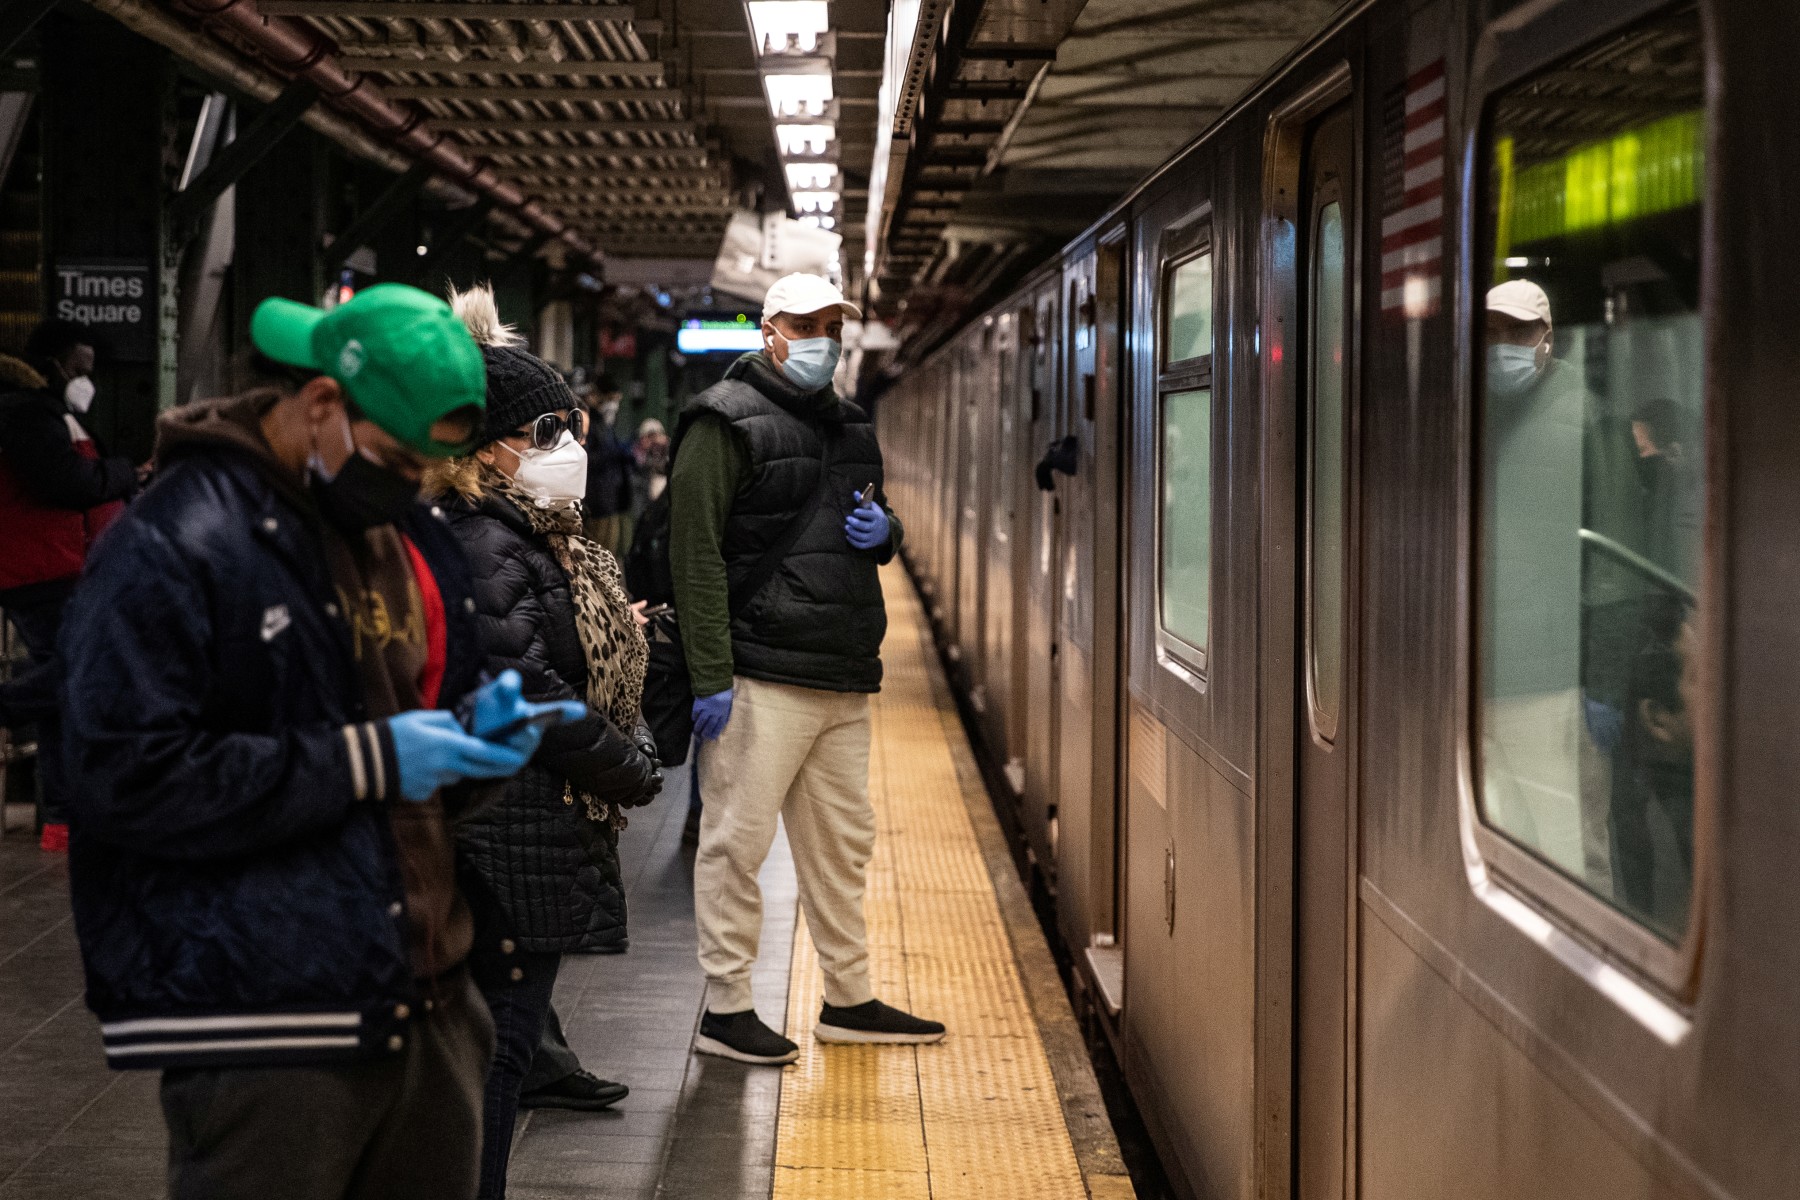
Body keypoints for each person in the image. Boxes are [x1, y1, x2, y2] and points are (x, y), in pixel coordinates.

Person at [57, 284, 571, 1200]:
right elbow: (120, 773)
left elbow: (410, 743)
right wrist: (374, 759)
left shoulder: (405, 533)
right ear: (324, 404)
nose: (410, 482)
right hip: (268, 1013)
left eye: (427, 464)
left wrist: (470, 751)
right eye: (391, 456)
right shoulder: (178, 541)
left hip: (428, 998)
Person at [669, 272, 944, 1064]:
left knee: (841, 845)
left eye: (833, 324)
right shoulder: (721, 422)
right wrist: (711, 673)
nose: (823, 338)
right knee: (736, 845)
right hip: (759, 672)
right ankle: (726, 1009)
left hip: (843, 671)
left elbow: (859, 518)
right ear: (770, 331)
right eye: (807, 323)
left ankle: (849, 1000)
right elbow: (695, 551)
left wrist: (884, 531)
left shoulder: (854, 424)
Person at [430, 286, 662, 1199]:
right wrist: (629, 762)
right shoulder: (493, 541)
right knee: (500, 1051)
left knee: (495, 1047)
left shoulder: (522, 534)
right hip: (512, 827)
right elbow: (525, 682)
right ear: (488, 446)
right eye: (547, 431)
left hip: (517, 824)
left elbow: (541, 646)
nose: (567, 450)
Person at [0, 321, 139, 851]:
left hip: (61, 568)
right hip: (42, 571)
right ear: (56, 364)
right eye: (80, 369)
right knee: (74, 676)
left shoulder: (49, 413)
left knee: (72, 678)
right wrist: (123, 473)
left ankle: (65, 816)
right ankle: (61, 808)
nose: (87, 380)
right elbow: (66, 483)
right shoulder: (27, 413)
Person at [582, 381, 636, 557]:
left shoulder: (606, 425)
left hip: (611, 500)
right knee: (599, 553)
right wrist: (614, 453)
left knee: (609, 553)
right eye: (611, 399)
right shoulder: (590, 423)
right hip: (597, 502)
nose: (614, 405)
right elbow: (587, 458)